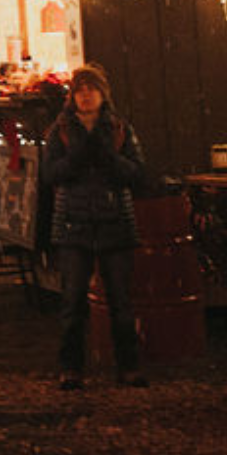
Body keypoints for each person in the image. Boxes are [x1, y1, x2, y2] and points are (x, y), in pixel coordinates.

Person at [44, 63, 147, 391]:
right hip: (73, 224)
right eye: (80, 89)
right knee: (73, 302)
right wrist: (75, 159)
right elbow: (49, 175)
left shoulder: (118, 130)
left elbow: (137, 173)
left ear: (103, 94)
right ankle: (71, 368)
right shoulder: (59, 131)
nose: (86, 95)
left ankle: (129, 367)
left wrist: (108, 158)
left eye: (92, 89)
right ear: (72, 96)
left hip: (114, 221)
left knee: (121, 302)